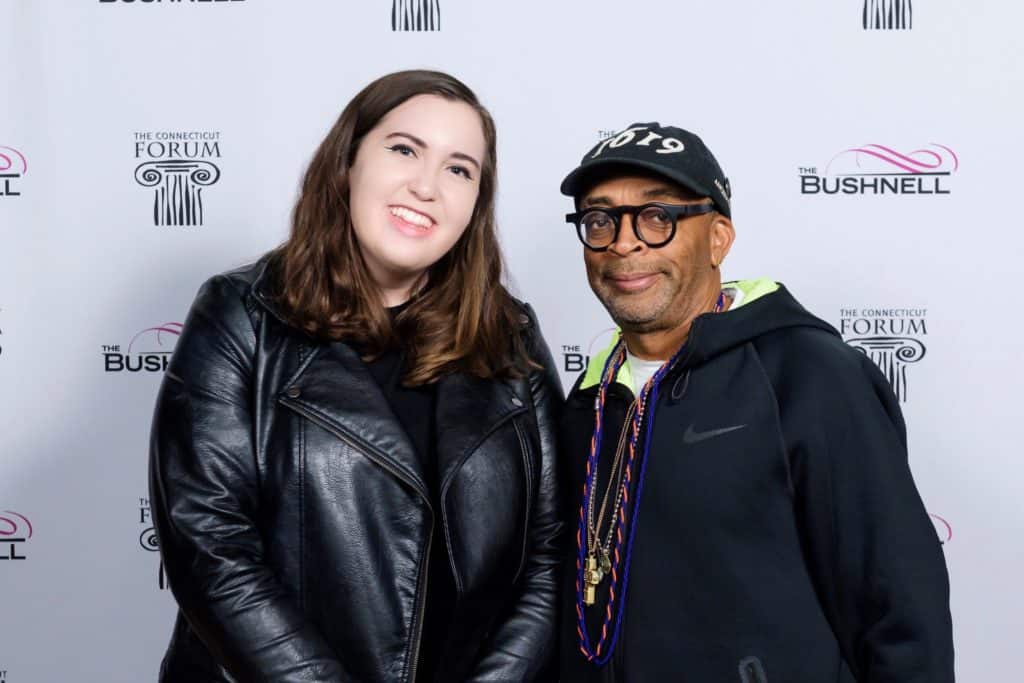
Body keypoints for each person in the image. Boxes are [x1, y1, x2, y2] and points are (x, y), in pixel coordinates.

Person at [149, 70, 563, 683]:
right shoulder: (241, 316)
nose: (426, 186)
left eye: (459, 169)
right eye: (403, 149)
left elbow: (551, 554)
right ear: (346, 164)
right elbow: (209, 546)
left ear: (476, 201)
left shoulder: (510, 335)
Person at [556, 122, 954, 682]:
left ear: (718, 237)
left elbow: (900, 611)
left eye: (658, 217)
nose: (624, 242)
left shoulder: (808, 373)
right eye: (600, 220)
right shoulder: (588, 402)